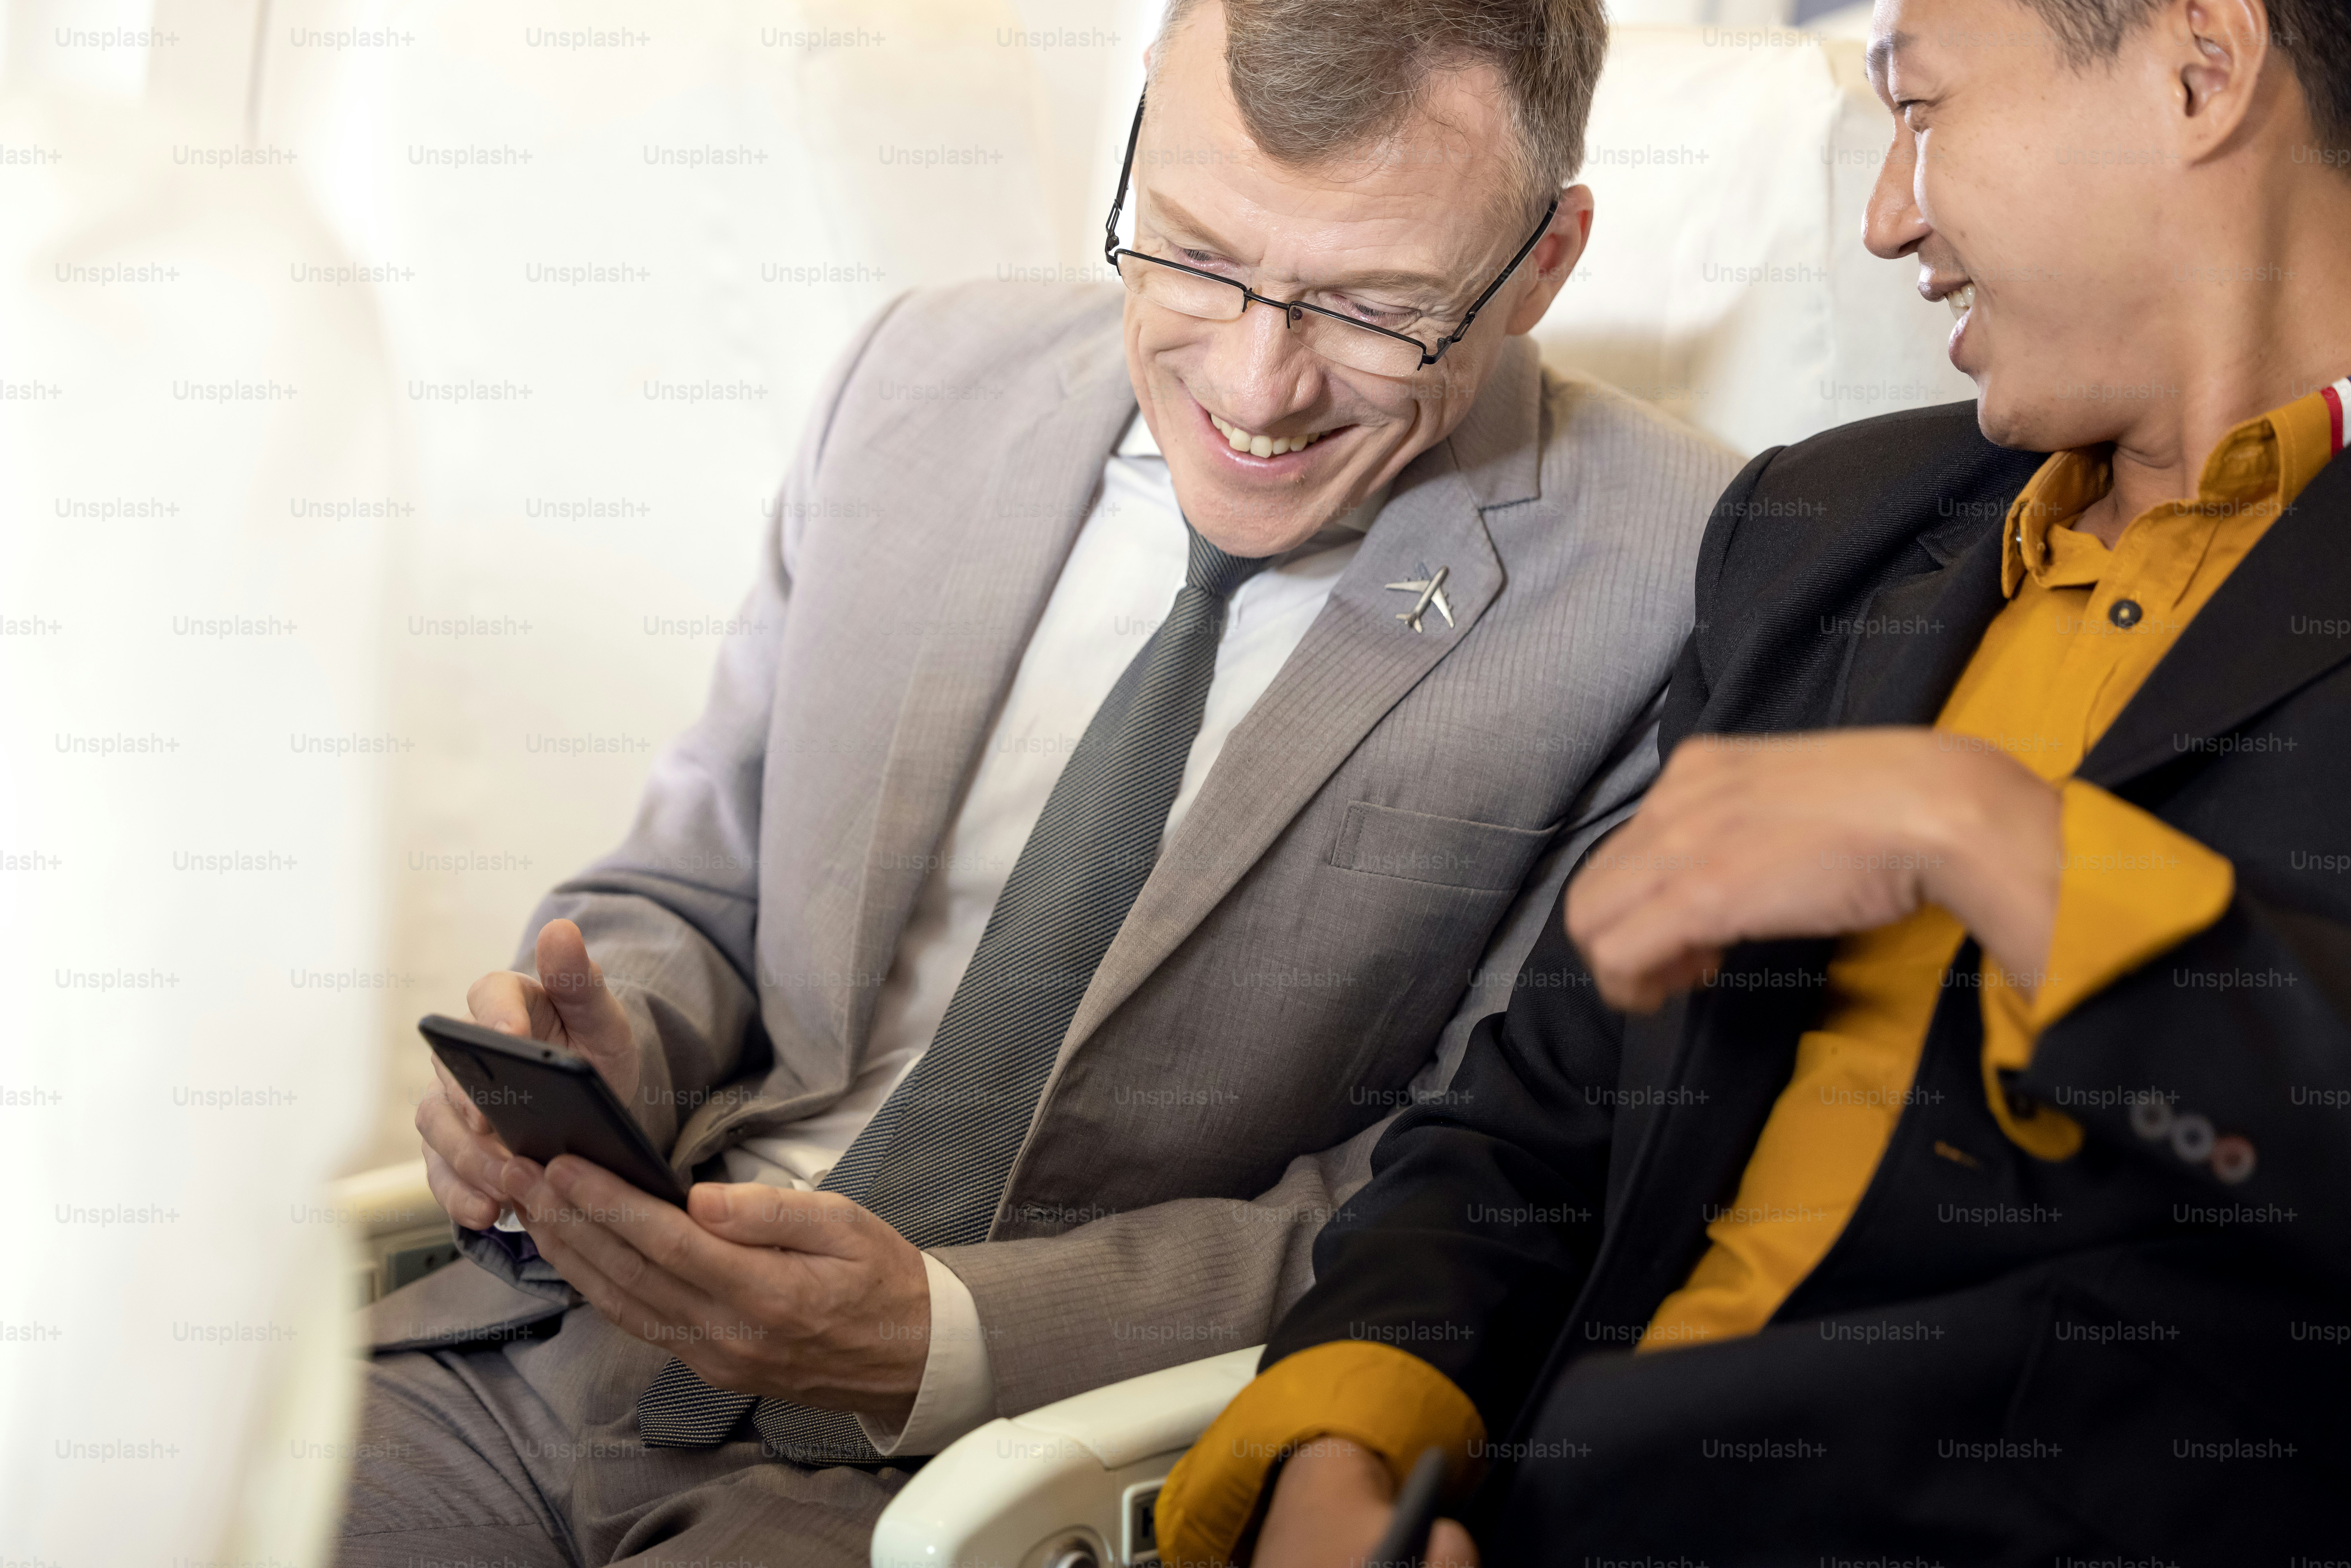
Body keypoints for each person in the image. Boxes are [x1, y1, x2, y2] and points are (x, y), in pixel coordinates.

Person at [337, 1, 1739, 1561]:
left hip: (984, 1474)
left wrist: (941, 1334)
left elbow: (1481, 1204)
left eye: (1373, 307)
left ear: (1544, 262)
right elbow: (695, 886)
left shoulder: (1683, 581)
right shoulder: (922, 378)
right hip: (545, 1347)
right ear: (1138, 140)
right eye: (1198, 254)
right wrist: (605, 1049)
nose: (1259, 387)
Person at [1156, 0, 2351, 1558]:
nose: (1887, 218)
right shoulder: (1826, 525)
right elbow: (1541, 1108)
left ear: (2201, 66)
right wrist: (1341, 1440)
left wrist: (1991, 837)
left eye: (1921, 113)